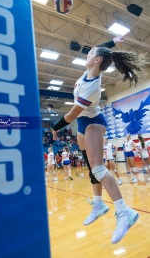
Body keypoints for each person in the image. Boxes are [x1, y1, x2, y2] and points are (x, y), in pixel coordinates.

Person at [52, 34, 145, 244]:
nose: (90, 51)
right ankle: (98, 204)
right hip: (84, 123)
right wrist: (112, 42)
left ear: (96, 61)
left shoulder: (91, 86)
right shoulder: (90, 70)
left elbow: (71, 116)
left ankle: (124, 212)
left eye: (92, 53)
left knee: (99, 168)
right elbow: (101, 50)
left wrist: (55, 127)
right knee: (90, 166)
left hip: (93, 121)